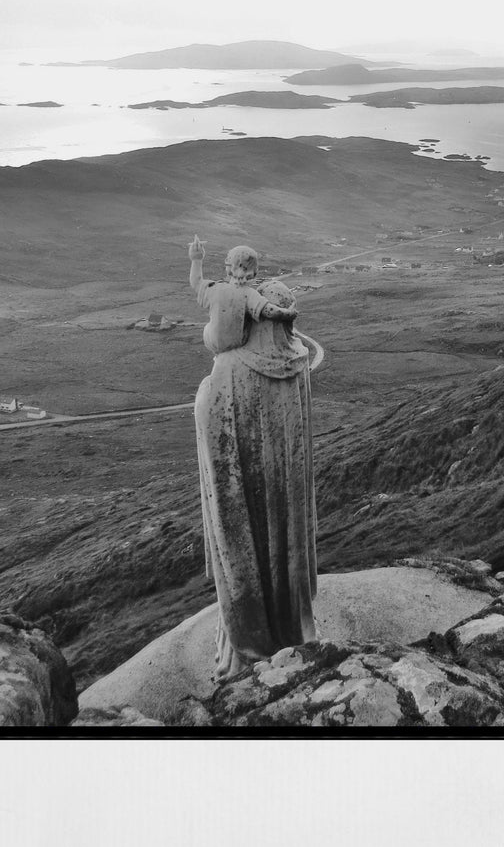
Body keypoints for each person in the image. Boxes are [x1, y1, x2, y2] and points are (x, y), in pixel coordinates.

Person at [188, 236, 320, 681]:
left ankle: (248, 638)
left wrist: (204, 397)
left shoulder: (228, 369)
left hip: (245, 499)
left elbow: (215, 442)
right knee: (283, 544)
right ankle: (293, 624)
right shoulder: (298, 364)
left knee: (247, 544)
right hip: (286, 501)